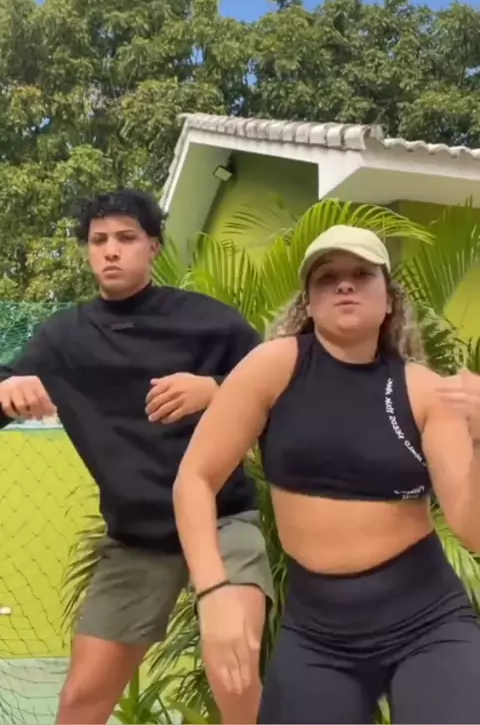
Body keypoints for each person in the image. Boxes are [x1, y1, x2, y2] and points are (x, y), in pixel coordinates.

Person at [173, 224, 480, 725]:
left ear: (389, 301)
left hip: (427, 622)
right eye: (327, 278)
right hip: (319, 633)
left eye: (361, 274)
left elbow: (472, 529)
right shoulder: (274, 368)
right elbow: (195, 479)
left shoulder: (424, 392)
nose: (345, 284)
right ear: (310, 305)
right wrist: (213, 592)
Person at [0, 189, 273, 725]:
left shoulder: (209, 322)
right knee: (80, 699)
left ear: (153, 246)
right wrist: (8, 387)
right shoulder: (62, 339)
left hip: (223, 520)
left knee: (234, 671)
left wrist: (217, 390)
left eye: (126, 238)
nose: (111, 250)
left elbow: (283, 387)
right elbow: (11, 388)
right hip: (137, 538)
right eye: (98, 240)